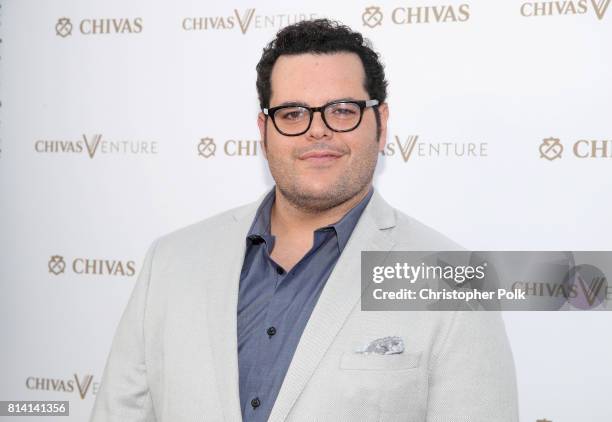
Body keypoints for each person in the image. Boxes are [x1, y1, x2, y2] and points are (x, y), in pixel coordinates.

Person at [91, 19, 518, 422]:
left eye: (343, 109)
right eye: (293, 113)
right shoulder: (172, 262)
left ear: (380, 124)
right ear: (264, 130)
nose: (318, 131)